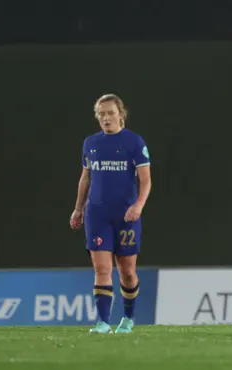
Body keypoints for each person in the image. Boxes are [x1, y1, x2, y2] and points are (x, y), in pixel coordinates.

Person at [69, 94, 152, 334]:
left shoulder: (134, 142)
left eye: (110, 113)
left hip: (126, 215)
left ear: (120, 114)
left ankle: (128, 318)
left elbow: (146, 180)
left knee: (126, 271)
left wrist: (138, 205)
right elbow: (85, 177)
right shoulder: (91, 143)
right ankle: (103, 322)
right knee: (102, 269)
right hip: (98, 214)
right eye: (101, 114)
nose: (106, 118)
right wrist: (78, 208)